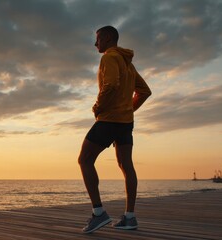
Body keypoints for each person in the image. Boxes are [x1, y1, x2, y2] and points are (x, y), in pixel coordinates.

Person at [78, 26, 151, 234]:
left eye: (98, 39)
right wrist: (129, 109)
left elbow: (110, 85)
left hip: (109, 119)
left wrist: (98, 107)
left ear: (108, 38)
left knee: (84, 159)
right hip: (126, 123)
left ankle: (99, 212)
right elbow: (144, 91)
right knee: (126, 166)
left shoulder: (110, 58)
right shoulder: (128, 62)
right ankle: (130, 217)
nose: (95, 44)